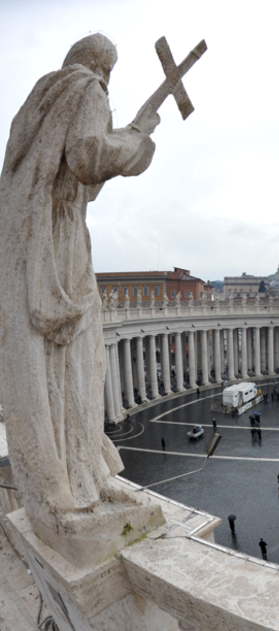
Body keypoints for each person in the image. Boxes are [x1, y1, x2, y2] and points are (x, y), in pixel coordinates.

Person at [0, 33, 163, 544]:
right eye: (109, 74)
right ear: (101, 67)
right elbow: (89, 157)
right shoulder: (87, 88)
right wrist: (137, 136)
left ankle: (76, 476)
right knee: (83, 364)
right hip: (63, 250)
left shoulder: (35, 106)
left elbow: (75, 173)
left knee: (62, 367)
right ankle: (82, 478)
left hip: (36, 247)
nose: (108, 85)